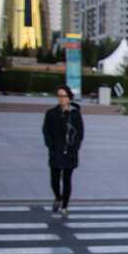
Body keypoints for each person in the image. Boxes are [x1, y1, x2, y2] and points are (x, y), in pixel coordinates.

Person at [41, 85, 83, 216]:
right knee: (54, 180)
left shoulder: (74, 114)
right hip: (55, 151)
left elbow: (80, 133)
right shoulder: (51, 113)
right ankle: (58, 197)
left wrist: (74, 148)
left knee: (66, 179)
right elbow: (46, 131)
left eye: (64, 96)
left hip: (70, 152)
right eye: (59, 96)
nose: (61, 99)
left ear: (69, 97)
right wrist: (50, 146)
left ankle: (64, 206)